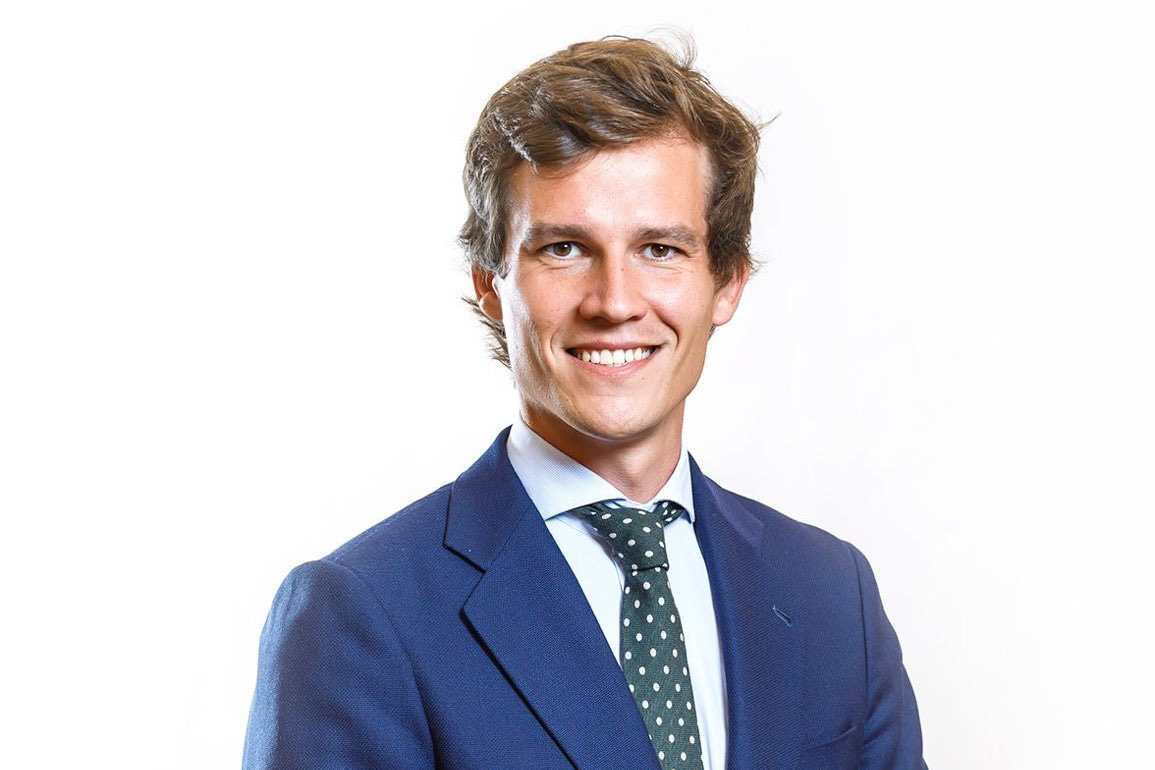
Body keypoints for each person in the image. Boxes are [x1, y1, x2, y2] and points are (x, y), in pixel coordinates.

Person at [242, 36, 927, 770]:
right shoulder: (360, 612)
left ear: (726, 282)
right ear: (489, 282)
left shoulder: (832, 594)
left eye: (660, 249)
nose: (615, 302)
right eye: (563, 249)